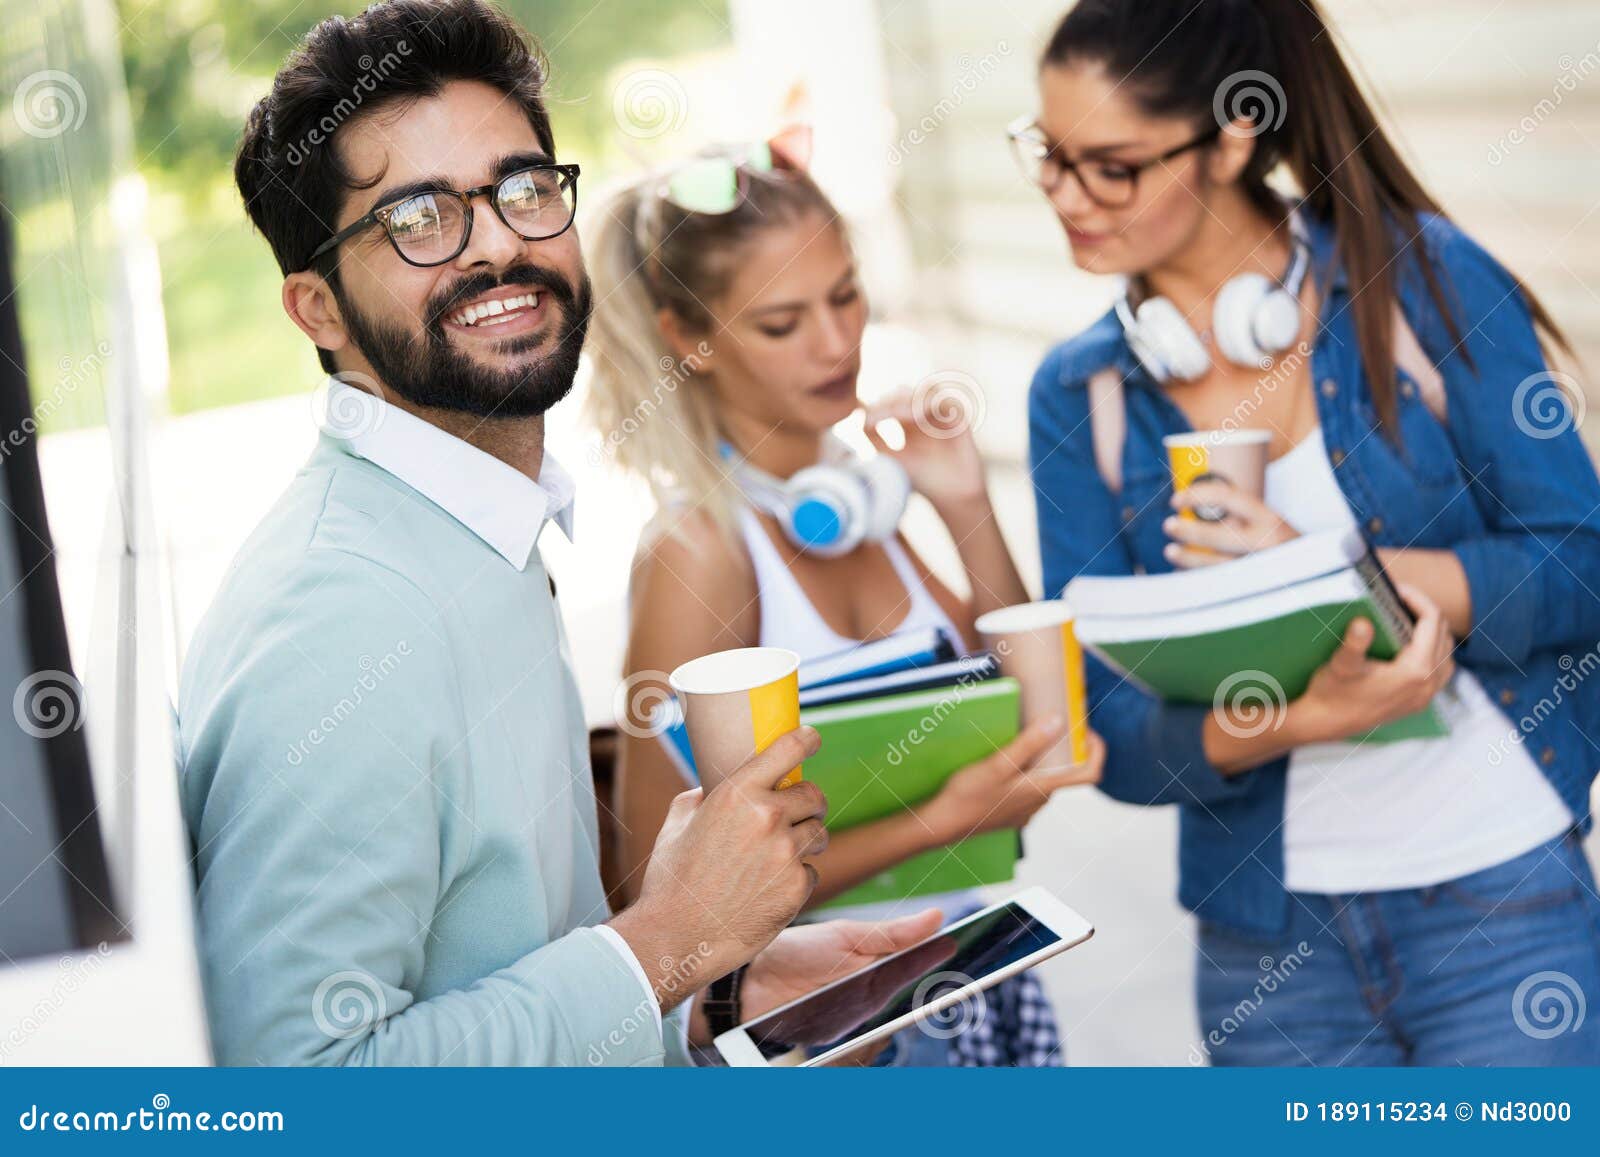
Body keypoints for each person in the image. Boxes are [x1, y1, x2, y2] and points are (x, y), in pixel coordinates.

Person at [178, 0, 943, 1067]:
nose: (498, 241)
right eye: (417, 218)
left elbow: (512, 968)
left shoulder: (477, 532)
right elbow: (300, 1087)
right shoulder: (339, 620)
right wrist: (670, 944)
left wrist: (710, 998)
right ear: (318, 309)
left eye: (524, 189)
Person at [1020, 0, 1600, 1066]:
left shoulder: (1422, 280)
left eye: (1111, 165)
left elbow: (1581, 564)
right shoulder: (1078, 390)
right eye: (1049, 155)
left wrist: (1331, 573)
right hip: (1269, 946)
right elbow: (1106, 725)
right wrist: (1287, 716)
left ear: (1231, 136)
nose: (1066, 194)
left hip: (1499, 900)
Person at [584, 140, 1105, 1065]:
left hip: (976, 973)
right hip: (840, 1030)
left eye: (846, 294)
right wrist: (946, 820)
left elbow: (1038, 714)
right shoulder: (699, 551)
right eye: (782, 322)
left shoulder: (858, 500)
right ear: (688, 338)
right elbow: (650, 897)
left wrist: (962, 500)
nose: (836, 342)